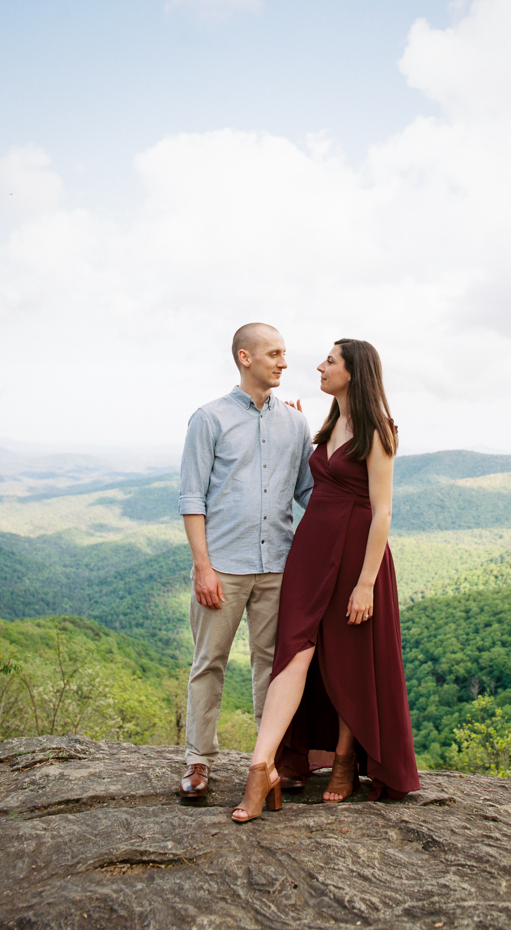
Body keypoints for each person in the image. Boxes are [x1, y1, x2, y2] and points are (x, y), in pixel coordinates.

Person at [232, 338, 420, 823]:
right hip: (311, 553)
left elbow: (383, 512)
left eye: (330, 361)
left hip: (356, 556)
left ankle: (343, 760)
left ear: (353, 372)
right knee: (292, 652)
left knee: (348, 658)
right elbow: (316, 485)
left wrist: (365, 583)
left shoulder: (378, 431)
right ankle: (263, 766)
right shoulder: (330, 422)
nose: (319, 365)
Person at [178, 323, 313, 799]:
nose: (283, 362)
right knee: (208, 662)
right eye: (274, 353)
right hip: (224, 568)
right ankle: (198, 761)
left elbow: (308, 492)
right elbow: (192, 498)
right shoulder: (209, 419)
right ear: (245, 357)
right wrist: (203, 567)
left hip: (278, 567)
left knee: (271, 667)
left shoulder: (295, 424)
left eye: (284, 354)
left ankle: (266, 760)